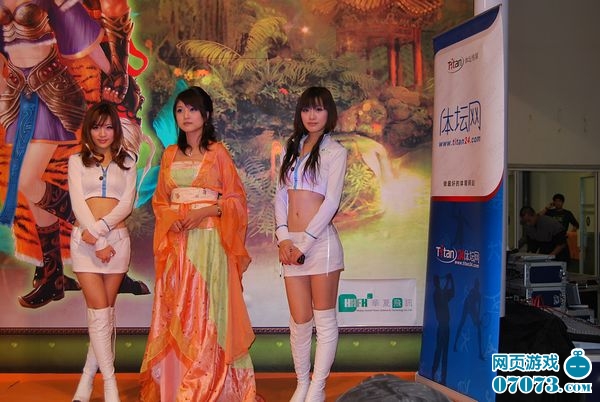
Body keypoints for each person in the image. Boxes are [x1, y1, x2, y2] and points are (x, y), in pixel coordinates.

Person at [139, 86, 256, 402]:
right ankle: (175, 387)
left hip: (209, 244)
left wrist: (206, 210)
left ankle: (211, 384)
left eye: (192, 109)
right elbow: (160, 201)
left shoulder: (218, 153)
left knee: (207, 309)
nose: (185, 115)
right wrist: (171, 218)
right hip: (177, 244)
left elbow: (236, 199)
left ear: (206, 114)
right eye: (179, 110)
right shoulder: (169, 154)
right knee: (177, 308)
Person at [275, 86, 348, 402]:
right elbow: (280, 195)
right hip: (291, 246)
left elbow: (331, 202)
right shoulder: (290, 148)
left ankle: (317, 387)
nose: (312, 115)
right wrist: (283, 238)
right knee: (299, 321)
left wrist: (303, 244)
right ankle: (302, 383)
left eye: (318, 109)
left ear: (329, 113)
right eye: (306, 109)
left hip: (320, 245)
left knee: (324, 320)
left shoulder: (335, 152)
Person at [68, 102, 137, 402]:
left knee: (104, 316)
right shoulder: (76, 161)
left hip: (117, 243)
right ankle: (110, 384)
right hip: (85, 244)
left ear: (116, 130)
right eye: (97, 127)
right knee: (98, 313)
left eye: (108, 127)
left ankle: (87, 377)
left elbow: (127, 204)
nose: (103, 133)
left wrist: (103, 231)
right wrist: (97, 240)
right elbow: (77, 203)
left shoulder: (129, 161)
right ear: (89, 129)